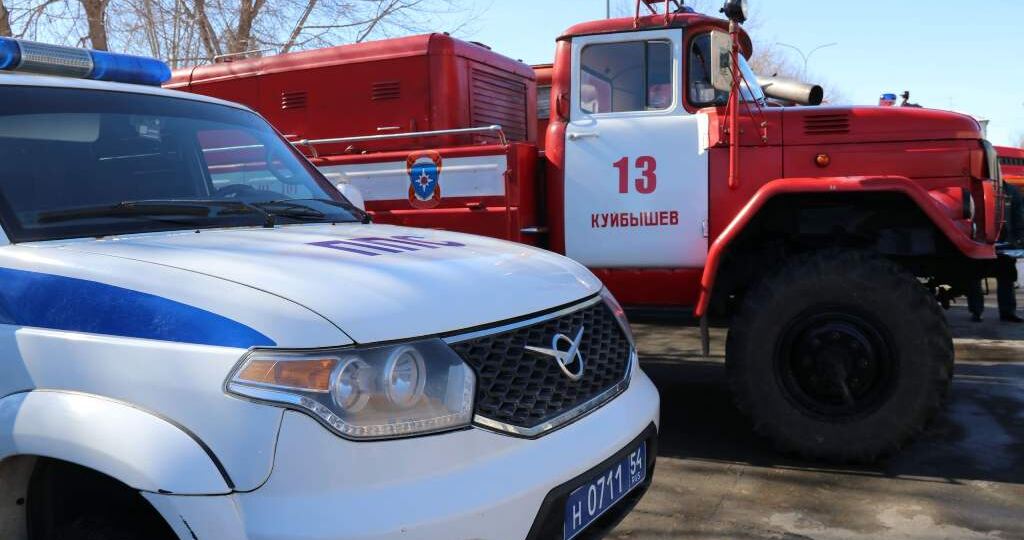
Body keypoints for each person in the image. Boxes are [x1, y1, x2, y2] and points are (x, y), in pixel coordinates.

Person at [968, 183, 1023, 323]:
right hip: (977, 241)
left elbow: (1019, 218)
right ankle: (976, 311)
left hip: (1004, 243)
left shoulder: (1010, 190)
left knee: (1007, 277)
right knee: (974, 277)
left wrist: (1018, 241)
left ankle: (1007, 312)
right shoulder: (972, 188)